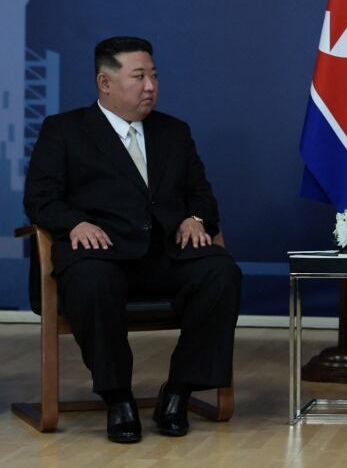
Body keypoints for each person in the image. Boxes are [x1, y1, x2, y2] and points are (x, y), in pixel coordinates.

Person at [23, 36, 242, 444]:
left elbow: (202, 195)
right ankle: (117, 397)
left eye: (154, 76)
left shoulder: (174, 132)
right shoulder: (65, 131)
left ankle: (178, 391)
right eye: (139, 77)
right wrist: (75, 224)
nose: (150, 87)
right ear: (104, 84)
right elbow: (40, 198)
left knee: (221, 271)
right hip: (100, 256)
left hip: (164, 256)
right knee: (92, 281)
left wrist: (196, 218)